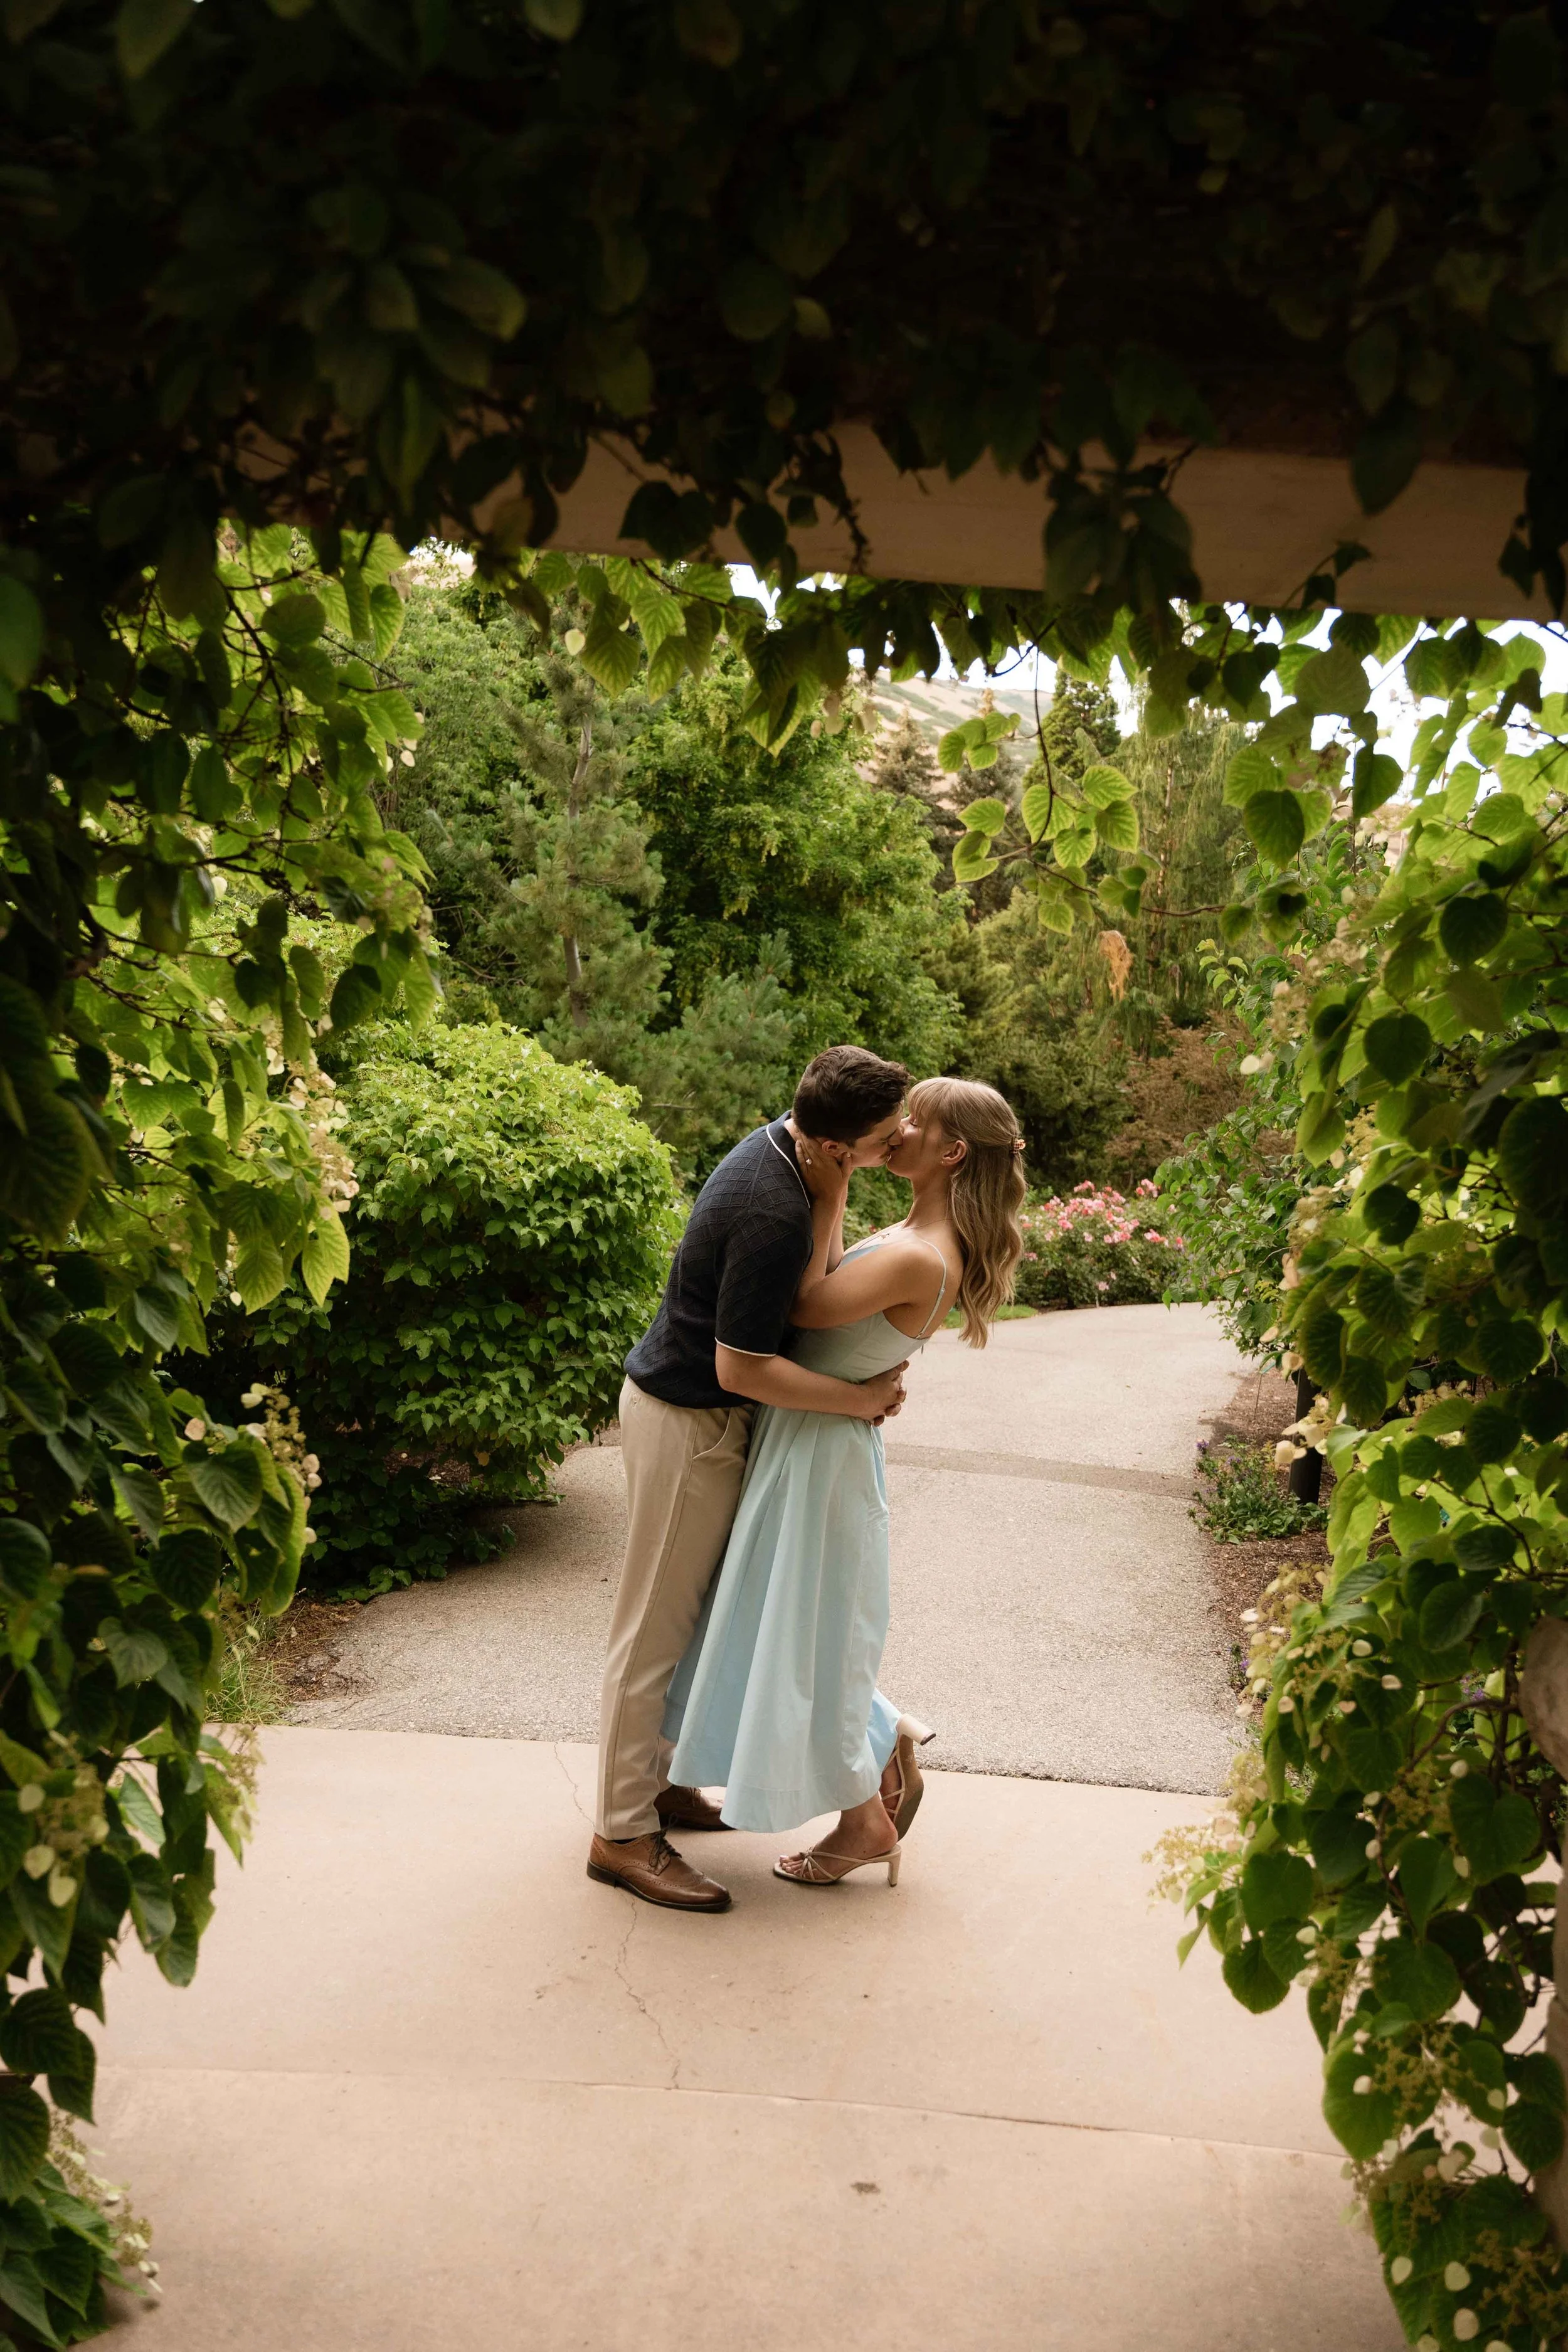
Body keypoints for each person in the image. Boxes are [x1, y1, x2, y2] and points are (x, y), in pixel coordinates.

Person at [663, 1075, 1025, 1888]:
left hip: (819, 1459)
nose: (894, 1132)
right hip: (811, 1439)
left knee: (797, 1636)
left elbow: (800, 1305)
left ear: (952, 1151)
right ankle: (880, 1740)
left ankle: (864, 1817)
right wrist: (838, 1190)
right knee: (781, 1627)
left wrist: (834, 1184)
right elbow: (825, 1285)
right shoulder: (912, 1233)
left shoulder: (917, 1253)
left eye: (914, 1124)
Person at [587, 1046, 913, 1914]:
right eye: (889, 1134)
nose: (906, 1138)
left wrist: (839, 1187)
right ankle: (621, 1834)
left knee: (686, 1618)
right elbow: (741, 1366)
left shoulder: (793, 1156)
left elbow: (821, 1265)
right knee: (652, 1630)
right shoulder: (773, 1208)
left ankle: (657, 1788)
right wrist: (855, 1399)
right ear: (837, 1145)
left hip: (700, 1417)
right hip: (689, 1421)